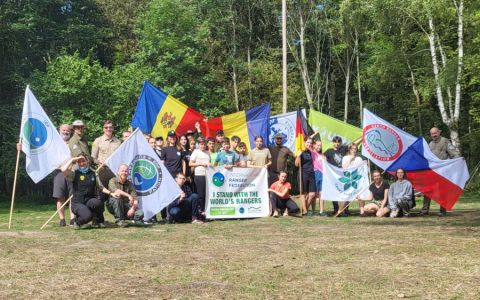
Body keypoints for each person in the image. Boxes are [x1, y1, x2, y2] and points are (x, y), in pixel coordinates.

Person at [421, 127, 460, 217]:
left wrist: (458, 159)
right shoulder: (430, 144)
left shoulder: (445, 141)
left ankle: (442, 211)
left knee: (443, 192)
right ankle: (424, 210)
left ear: (439, 132)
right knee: (427, 191)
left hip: (443, 172)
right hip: (432, 172)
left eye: (435, 133)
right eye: (432, 134)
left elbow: (453, 153)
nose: (434, 135)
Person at [61, 153, 105, 229]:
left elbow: (101, 187)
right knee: (88, 216)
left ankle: (98, 221)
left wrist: (112, 193)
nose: (82, 163)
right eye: (79, 162)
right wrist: (72, 160)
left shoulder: (93, 173)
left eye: (83, 161)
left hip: (88, 200)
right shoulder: (74, 173)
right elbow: (63, 170)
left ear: (87, 161)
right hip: (77, 203)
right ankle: (77, 222)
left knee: (98, 203)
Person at [92, 120, 122, 208]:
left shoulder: (118, 142)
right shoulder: (97, 141)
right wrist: (99, 162)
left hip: (113, 171)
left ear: (113, 128)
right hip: (102, 170)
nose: (108, 129)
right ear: (103, 129)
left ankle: (118, 217)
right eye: (106, 127)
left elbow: (120, 157)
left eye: (110, 127)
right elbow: (92, 157)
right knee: (100, 194)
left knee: (115, 192)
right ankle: (98, 219)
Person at [324, 136, 349, 215]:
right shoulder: (329, 151)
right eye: (335, 142)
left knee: (345, 191)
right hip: (333, 175)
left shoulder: (343, 149)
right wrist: (324, 159)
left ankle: (345, 208)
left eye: (339, 142)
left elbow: (353, 144)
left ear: (340, 143)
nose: (337, 143)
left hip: (343, 175)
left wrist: (362, 137)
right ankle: (336, 209)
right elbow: (322, 157)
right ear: (333, 142)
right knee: (333, 192)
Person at [295, 138, 316, 216]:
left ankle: (305, 209)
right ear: (304, 142)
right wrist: (298, 155)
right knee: (303, 193)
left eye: (310, 143)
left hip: (311, 174)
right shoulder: (301, 151)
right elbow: (296, 164)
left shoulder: (310, 152)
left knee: (312, 194)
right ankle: (305, 211)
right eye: (308, 142)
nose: (309, 144)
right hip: (303, 173)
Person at [189, 137, 211, 214]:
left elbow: (209, 163)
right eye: (201, 144)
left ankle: (206, 210)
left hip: (207, 176)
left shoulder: (208, 153)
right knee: (201, 194)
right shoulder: (196, 152)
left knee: (206, 194)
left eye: (204, 144)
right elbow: (190, 163)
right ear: (199, 145)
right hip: (199, 175)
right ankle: (201, 211)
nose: (203, 146)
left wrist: (210, 164)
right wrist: (200, 164)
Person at [312, 139, 327, 216]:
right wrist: (314, 134)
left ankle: (321, 211)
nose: (319, 147)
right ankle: (313, 210)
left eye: (320, 145)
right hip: (315, 173)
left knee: (321, 193)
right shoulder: (312, 153)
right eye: (318, 145)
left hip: (322, 174)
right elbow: (306, 143)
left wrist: (325, 159)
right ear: (314, 145)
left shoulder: (323, 155)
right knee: (314, 194)